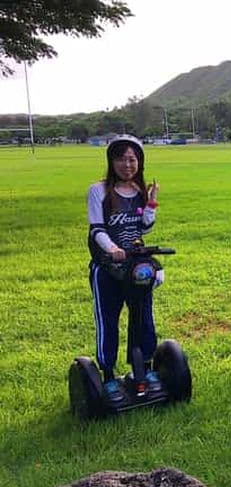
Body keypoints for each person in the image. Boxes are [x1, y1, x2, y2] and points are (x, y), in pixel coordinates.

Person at [87, 134, 161, 401]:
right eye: (121, 158)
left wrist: (151, 203)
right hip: (107, 267)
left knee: (143, 318)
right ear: (112, 161)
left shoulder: (140, 192)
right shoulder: (98, 191)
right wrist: (112, 249)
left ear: (139, 162)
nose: (127, 164)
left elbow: (144, 228)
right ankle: (107, 375)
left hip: (134, 267)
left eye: (132, 159)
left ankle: (145, 369)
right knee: (108, 320)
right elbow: (97, 229)